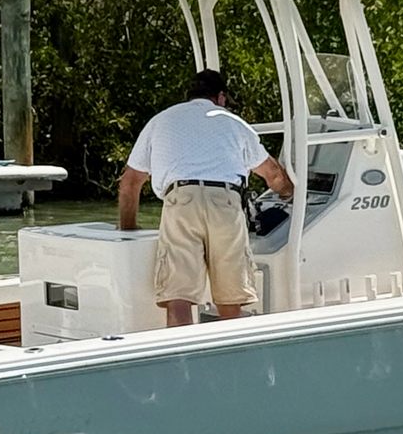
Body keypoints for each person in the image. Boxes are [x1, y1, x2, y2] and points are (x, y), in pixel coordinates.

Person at [118, 70, 294, 327]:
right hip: (226, 202)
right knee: (230, 299)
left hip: (181, 200)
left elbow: (130, 183)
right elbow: (273, 174)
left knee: (178, 296)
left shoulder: (161, 120)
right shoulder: (233, 122)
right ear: (220, 97)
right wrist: (290, 192)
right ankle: (230, 349)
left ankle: (181, 352)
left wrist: (128, 231)